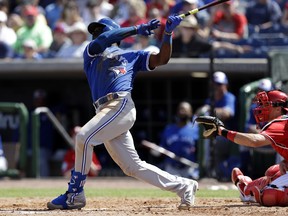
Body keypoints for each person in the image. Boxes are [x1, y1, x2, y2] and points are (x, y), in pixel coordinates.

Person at [47, 15, 198, 211]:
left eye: (100, 30)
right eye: (94, 31)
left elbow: (162, 59)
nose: (95, 34)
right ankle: (184, 185)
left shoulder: (132, 55)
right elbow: (102, 41)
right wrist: (137, 29)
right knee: (132, 167)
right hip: (105, 111)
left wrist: (168, 33)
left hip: (121, 105)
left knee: (83, 137)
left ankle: (74, 194)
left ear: (113, 33)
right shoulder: (92, 54)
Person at [200, 90, 288, 206]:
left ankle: (248, 191)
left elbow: (254, 141)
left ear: (278, 108)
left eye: (266, 105)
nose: (261, 108)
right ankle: (248, 188)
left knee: (270, 195)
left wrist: (222, 131)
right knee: (273, 172)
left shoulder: (280, 123)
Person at [196, 71, 236, 181]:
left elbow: (228, 113)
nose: (216, 87)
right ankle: (207, 173)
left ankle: (209, 173)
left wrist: (209, 111)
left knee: (209, 142)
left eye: (219, 84)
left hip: (228, 136)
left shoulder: (229, 97)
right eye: (214, 84)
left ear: (225, 85)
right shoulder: (210, 99)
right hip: (214, 136)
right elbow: (199, 113)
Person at [171, 16, 252, 58]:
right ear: (181, 28)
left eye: (191, 28)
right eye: (186, 27)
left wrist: (237, 48)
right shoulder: (173, 43)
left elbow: (218, 45)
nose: (188, 30)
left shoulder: (198, 43)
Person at [158, 101, 199, 180]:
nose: (182, 112)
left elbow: (200, 151)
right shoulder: (169, 129)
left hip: (189, 168)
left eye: (185, 110)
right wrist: (157, 151)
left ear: (190, 113)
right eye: (180, 109)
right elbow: (162, 147)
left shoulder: (195, 130)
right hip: (172, 168)